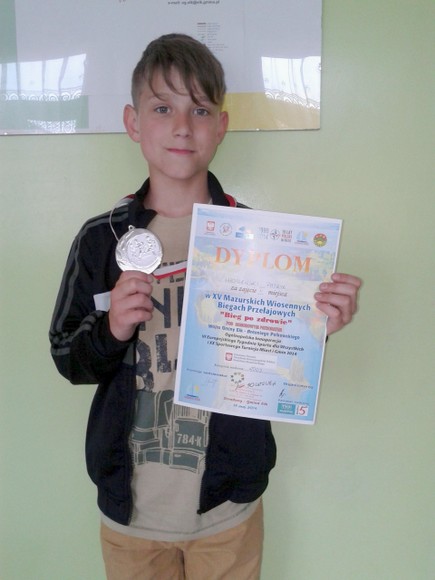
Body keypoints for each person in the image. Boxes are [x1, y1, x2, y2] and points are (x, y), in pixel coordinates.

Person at [49, 33, 361, 580]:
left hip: (227, 508)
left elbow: (274, 362)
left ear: (221, 125)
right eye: (162, 108)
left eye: (199, 109)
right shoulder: (102, 239)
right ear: (132, 122)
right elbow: (67, 357)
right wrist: (111, 328)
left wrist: (314, 325)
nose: (182, 126)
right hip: (130, 512)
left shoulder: (260, 242)